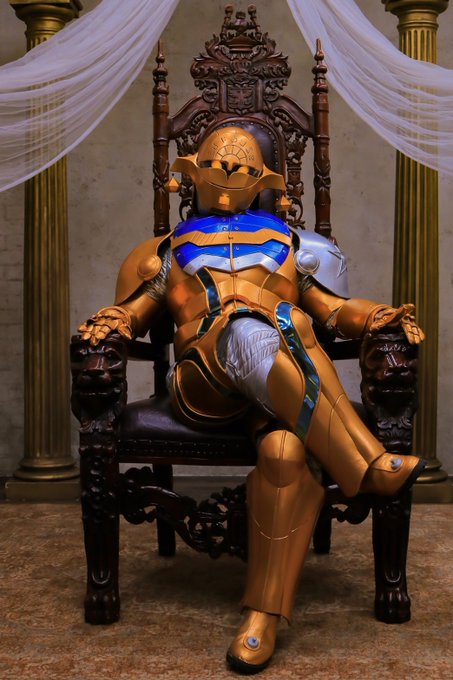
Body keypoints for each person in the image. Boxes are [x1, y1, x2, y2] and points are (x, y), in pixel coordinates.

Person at [79, 126, 425, 674]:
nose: (226, 180)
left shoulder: (291, 248)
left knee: (285, 448)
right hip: (204, 381)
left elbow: (333, 312)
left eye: (240, 171)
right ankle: (362, 464)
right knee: (248, 326)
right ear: (191, 173)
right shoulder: (164, 252)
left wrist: (378, 316)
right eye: (215, 168)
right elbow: (134, 314)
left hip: (278, 388)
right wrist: (112, 320)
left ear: (262, 181)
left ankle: (262, 617)